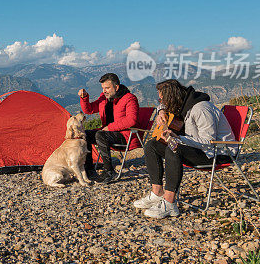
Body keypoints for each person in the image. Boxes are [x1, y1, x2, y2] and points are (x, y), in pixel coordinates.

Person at [133, 79, 236, 219]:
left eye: (162, 98)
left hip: (217, 153)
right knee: (152, 145)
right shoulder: (183, 104)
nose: (160, 100)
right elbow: (162, 105)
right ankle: (157, 192)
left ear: (172, 97)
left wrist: (178, 138)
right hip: (198, 148)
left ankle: (170, 203)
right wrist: (161, 111)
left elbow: (208, 142)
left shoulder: (201, 109)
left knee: (174, 148)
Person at [77, 73, 139, 183]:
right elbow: (89, 110)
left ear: (116, 87)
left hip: (124, 136)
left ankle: (110, 171)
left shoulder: (130, 99)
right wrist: (84, 97)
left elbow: (131, 120)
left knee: (100, 134)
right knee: (85, 135)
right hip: (107, 134)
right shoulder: (104, 98)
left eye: (107, 88)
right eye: (103, 88)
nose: (104, 91)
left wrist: (109, 128)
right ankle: (89, 169)